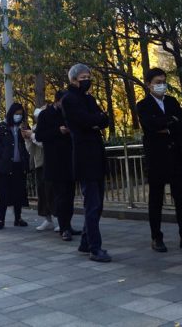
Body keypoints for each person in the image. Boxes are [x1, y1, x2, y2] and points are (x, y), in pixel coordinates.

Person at [137, 67, 182, 253]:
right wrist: (170, 123)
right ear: (149, 84)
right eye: (157, 82)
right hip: (157, 158)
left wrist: (167, 125)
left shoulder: (172, 101)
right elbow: (150, 126)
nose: (161, 85)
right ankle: (156, 237)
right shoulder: (142, 105)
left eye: (163, 82)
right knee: (156, 199)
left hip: (176, 156)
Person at [61, 64, 111, 262]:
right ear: (73, 79)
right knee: (92, 204)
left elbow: (103, 119)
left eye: (89, 76)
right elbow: (83, 121)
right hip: (84, 157)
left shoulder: (89, 98)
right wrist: (95, 120)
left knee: (98, 204)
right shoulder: (69, 99)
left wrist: (96, 119)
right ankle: (94, 247)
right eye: (83, 77)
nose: (87, 80)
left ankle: (85, 240)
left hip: (96, 155)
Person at [36, 91, 80, 242]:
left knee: (70, 195)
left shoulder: (69, 113)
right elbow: (39, 135)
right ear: (57, 101)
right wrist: (57, 131)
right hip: (55, 161)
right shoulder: (45, 115)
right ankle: (64, 228)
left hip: (70, 159)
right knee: (61, 196)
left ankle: (68, 224)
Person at [0, 103, 31, 230]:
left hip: (19, 165)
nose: (18, 116)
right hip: (5, 166)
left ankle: (18, 218)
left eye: (20, 114)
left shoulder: (22, 127)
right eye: (16, 114)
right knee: (3, 193)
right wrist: (2, 154)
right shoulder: (1, 127)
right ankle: (1, 219)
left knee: (18, 192)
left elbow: (27, 143)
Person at [26, 105, 55, 232]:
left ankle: (59, 219)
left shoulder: (51, 127)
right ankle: (47, 219)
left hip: (51, 163)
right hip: (39, 164)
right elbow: (30, 150)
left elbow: (45, 143)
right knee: (42, 193)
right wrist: (27, 139)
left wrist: (33, 136)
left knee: (53, 192)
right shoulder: (34, 128)